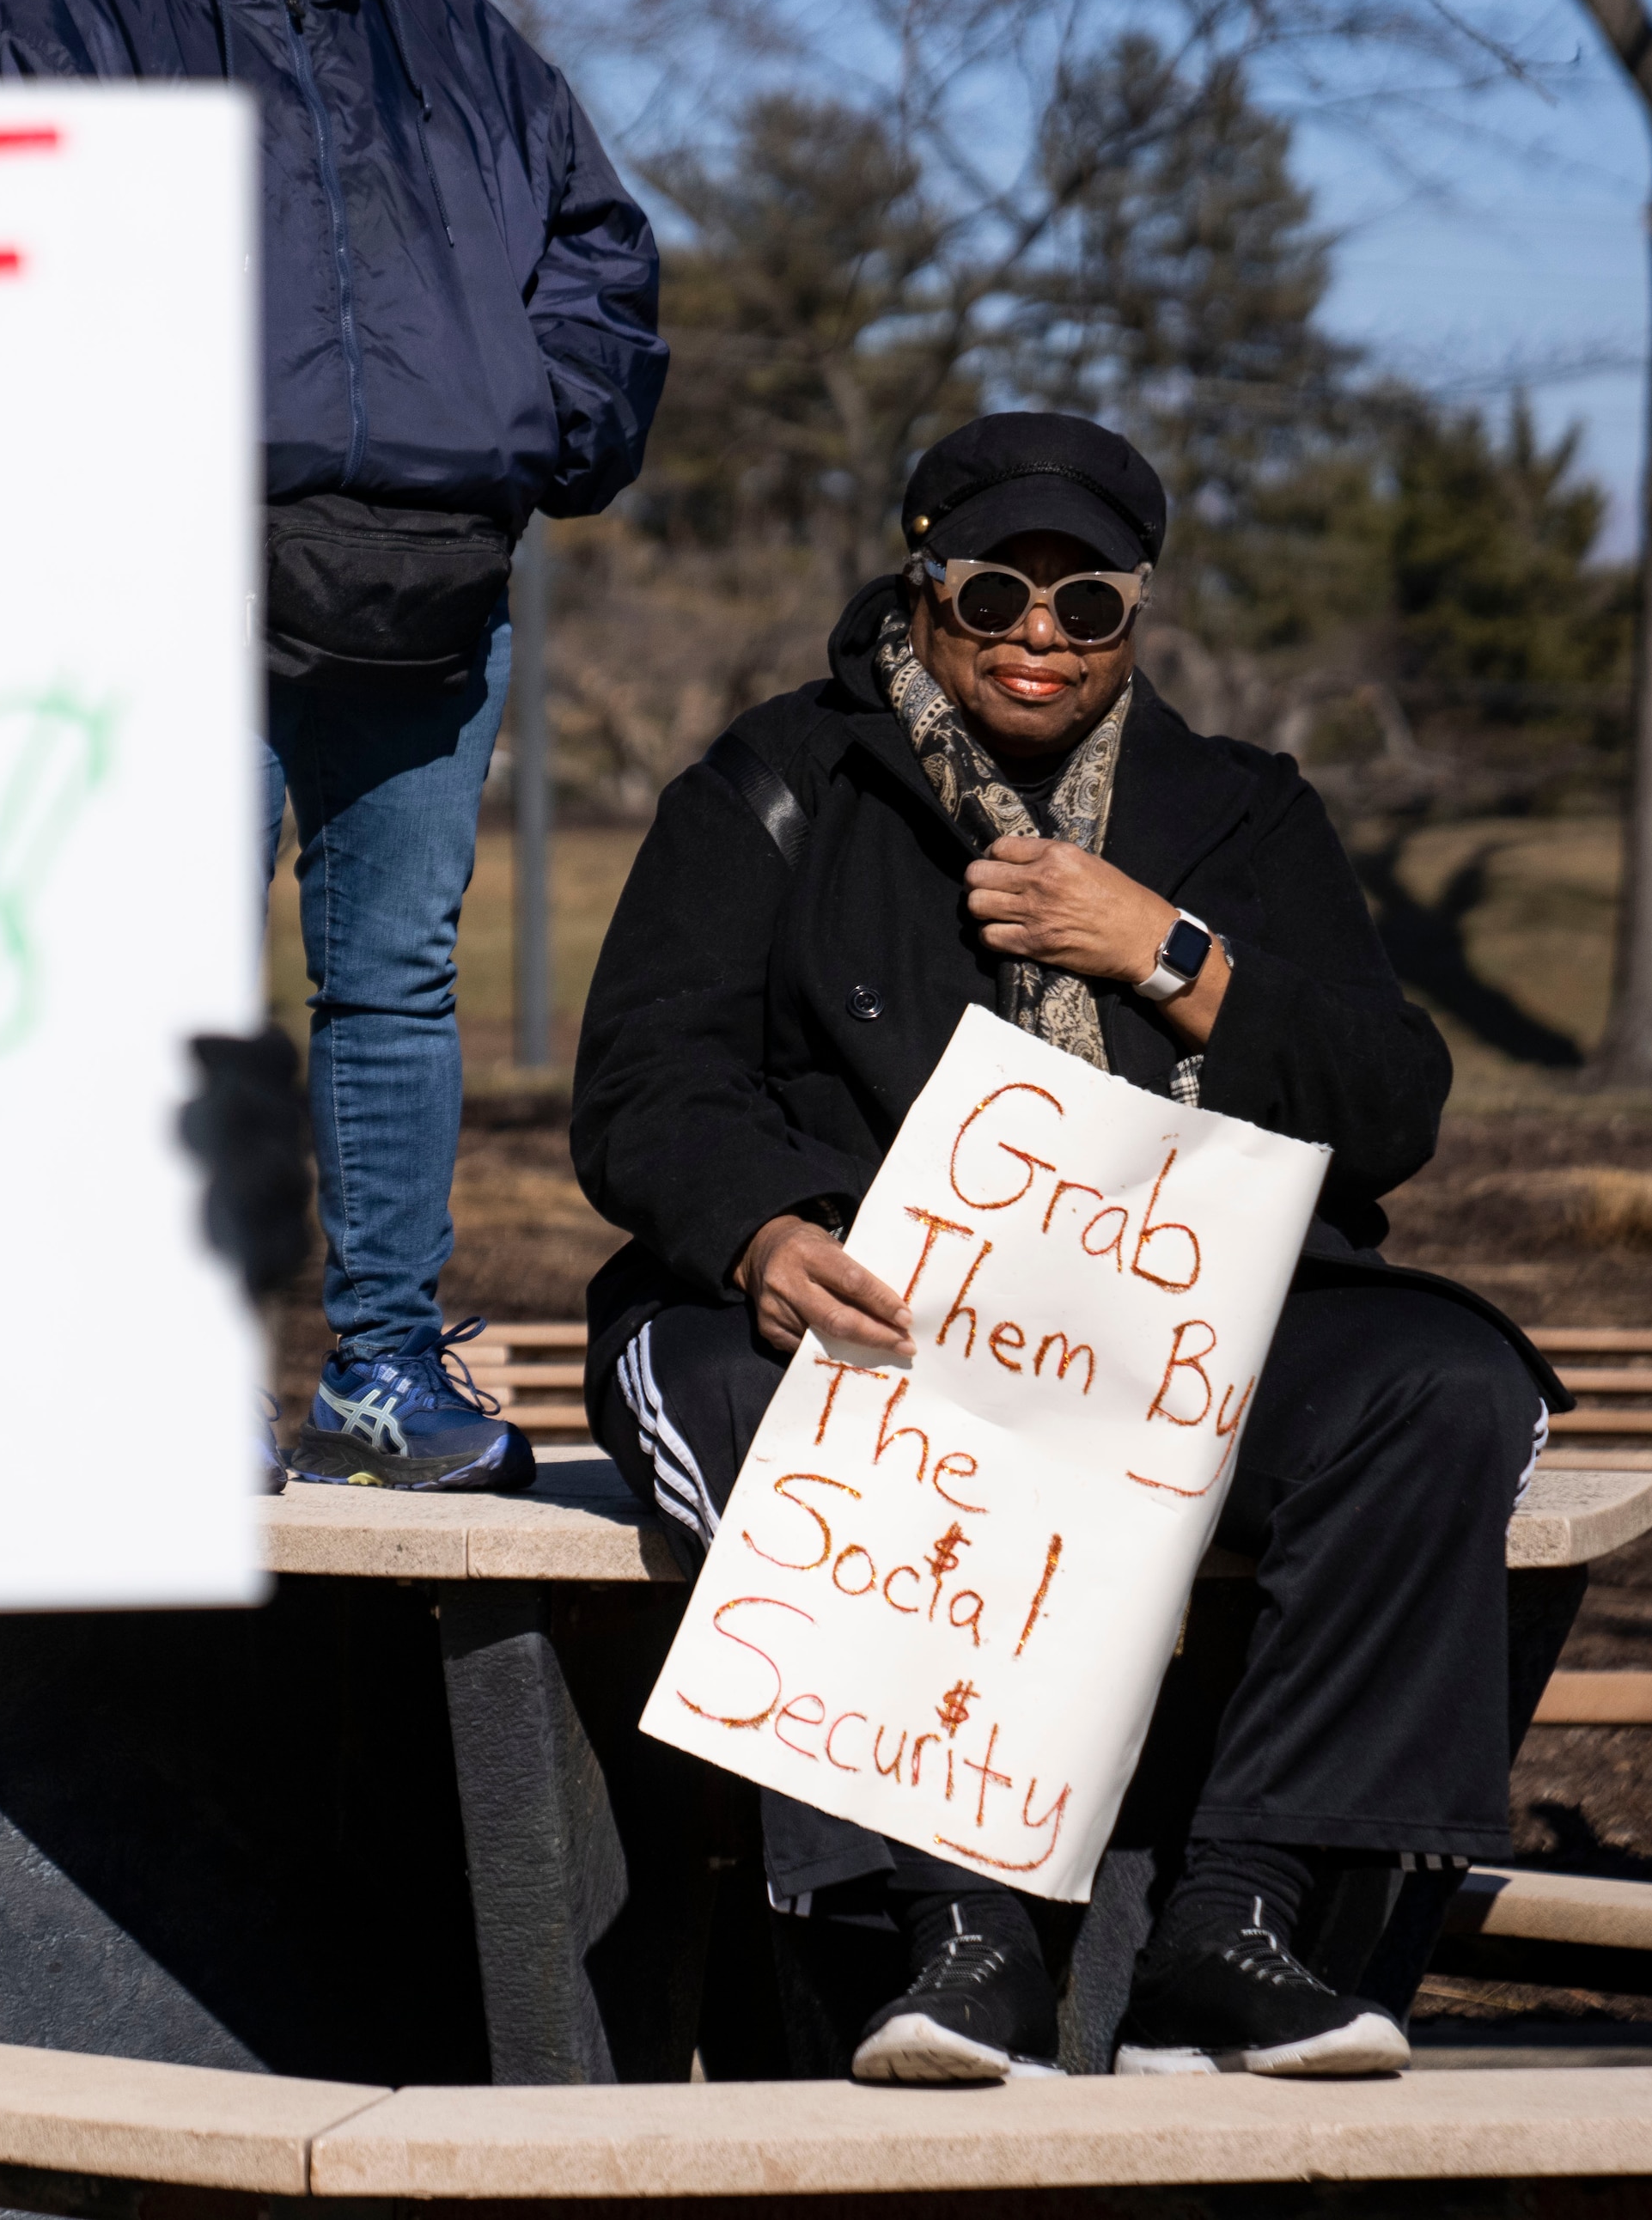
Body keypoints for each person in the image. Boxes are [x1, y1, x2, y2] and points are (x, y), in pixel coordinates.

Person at [568, 412, 1566, 2085]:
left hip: (1159, 1325)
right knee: (777, 1398)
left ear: (1136, 612)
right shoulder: (774, 783)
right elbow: (645, 1082)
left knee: (1443, 1390)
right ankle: (947, 1936)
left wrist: (1170, 951)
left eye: (1084, 603)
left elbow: (1389, 1105)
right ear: (920, 580)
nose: (1037, 634)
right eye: (993, 591)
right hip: (866, 1304)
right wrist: (757, 1228)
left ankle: (1236, 1926)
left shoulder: (1238, 814)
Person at [0, 0, 664, 1493]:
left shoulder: (472, 49)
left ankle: (378, 1363)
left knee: (394, 984)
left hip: (434, 603)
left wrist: (529, 422)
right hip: (175, 599)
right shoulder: (68, 21)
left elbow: (604, 265)